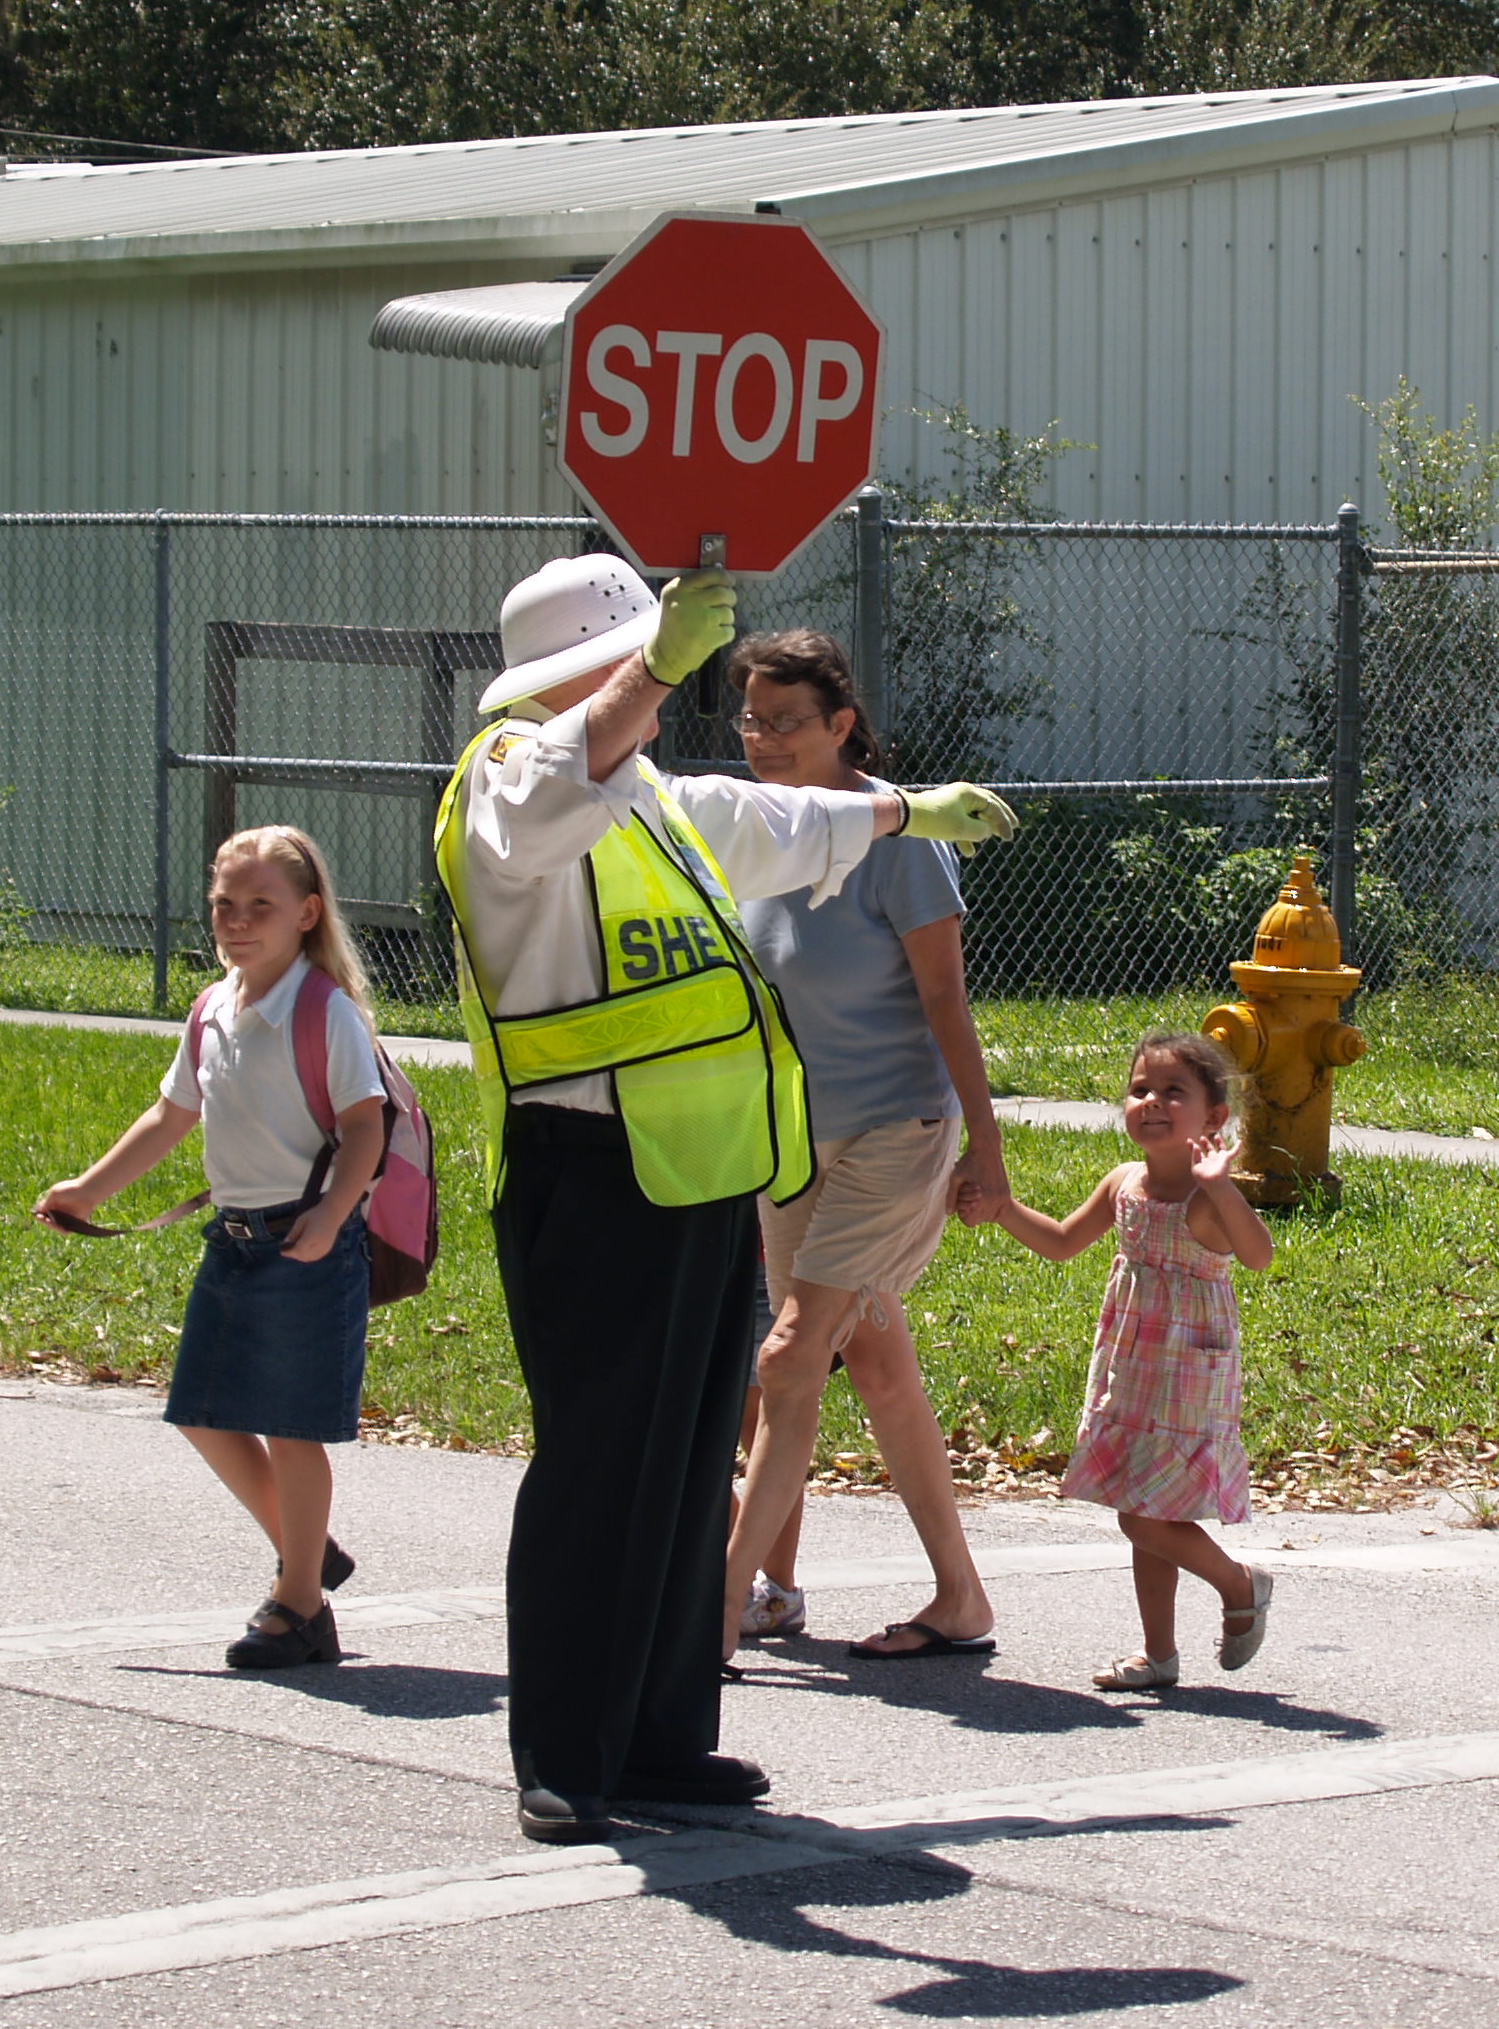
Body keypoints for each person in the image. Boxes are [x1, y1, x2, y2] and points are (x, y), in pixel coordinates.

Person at [432, 553, 1017, 1845]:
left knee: (690, 1465)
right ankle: (567, 1755)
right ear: (594, 669)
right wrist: (652, 672)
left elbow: (766, 825)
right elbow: (542, 813)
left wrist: (903, 816)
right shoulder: (510, 777)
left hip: (696, 1173)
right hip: (587, 1169)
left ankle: (659, 1740)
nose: (677, 684)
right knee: (600, 1471)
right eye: (646, 657)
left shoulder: (642, 788)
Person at [37, 826, 386, 1672]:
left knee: (293, 1429)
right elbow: (172, 1115)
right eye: (224, 904)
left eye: (259, 905)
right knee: (200, 1409)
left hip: (305, 1245)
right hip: (232, 1245)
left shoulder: (322, 1009)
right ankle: (305, 1552)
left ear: (306, 914)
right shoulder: (213, 1008)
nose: (237, 919)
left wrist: (333, 1216)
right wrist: (88, 1189)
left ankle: (300, 1606)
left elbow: (365, 1126)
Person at [718, 629, 1004, 1663]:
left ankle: (719, 1607)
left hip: (895, 1133)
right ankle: (959, 1600)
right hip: (795, 1146)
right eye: (751, 718)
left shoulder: (900, 835)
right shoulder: (753, 836)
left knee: (790, 1356)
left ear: (842, 725)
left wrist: (986, 1146)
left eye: (787, 720)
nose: (764, 739)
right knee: (874, 1367)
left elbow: (945, 999)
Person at [964, 1031, 1276, 1691]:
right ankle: (1158, 1655)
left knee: (1145, 1515)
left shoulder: (1206, 1195)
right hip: (1132, 1371)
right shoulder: (1123, 1184)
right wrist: (1001, 1209)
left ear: (1214, 1118)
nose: (1153, 1102)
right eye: (1141, 1090)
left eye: (1174, 1093)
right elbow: (1058, 1243)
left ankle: (1240, 1583)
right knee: (1144, 1516)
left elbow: (1258, 1255)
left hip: (1188, 1379)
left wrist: (1223, 1189)